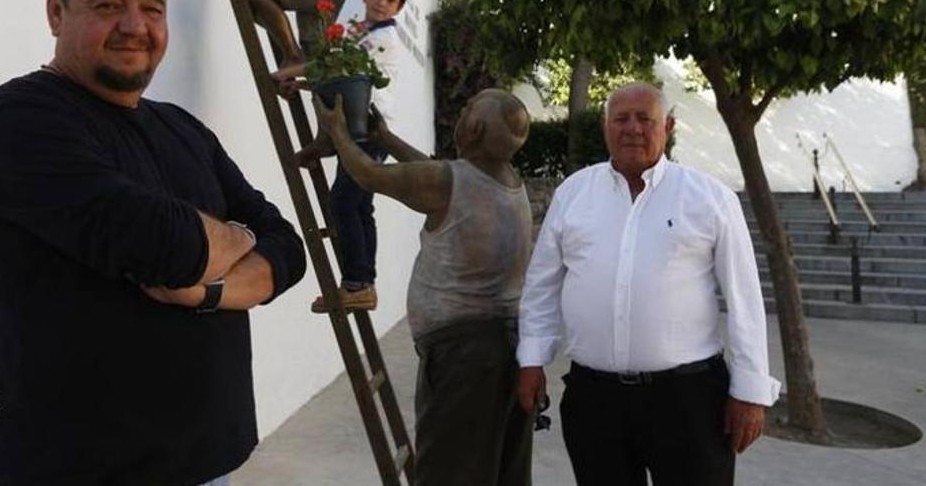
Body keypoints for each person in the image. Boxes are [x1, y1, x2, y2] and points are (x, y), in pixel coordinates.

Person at [0, 0, 306, 486]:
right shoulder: (18, 119)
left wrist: (207, 288)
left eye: (152, 8)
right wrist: (237, 239)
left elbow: (288, 248)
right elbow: (169, 247)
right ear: (56, 10)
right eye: (108, 5)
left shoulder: (183, 129)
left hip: (207, 469)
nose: (135, 27)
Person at [516, 82, 780, 485]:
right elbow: (541, 284)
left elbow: (744, 299)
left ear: (668, 125)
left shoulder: (709, 198)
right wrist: (531, 360)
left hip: (689, 400)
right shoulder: (574, 194)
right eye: (621, 119)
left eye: (645, 118)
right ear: (606, 127)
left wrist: (749, 391)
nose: (632, 128)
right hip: (594, 399)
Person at [314, 88, 535, 486]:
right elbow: (434, 173)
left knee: (448, 473)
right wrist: (386, 138)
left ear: (474, 127)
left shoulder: (447, 181)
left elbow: (369, 175)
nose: (462, 112)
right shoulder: (507, 179)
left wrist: (337, 131)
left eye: (467, 107)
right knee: (501, 471)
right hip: (505, 347)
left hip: (464, 358)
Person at [270, 0, 409, 311]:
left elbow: (340, 69)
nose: (381, 2)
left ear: (399, 8)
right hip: (356, 128)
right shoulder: (358, 29)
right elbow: (336, 74)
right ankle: (363, 283)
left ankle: (357, 283)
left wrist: (288, 72)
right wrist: (302, 85)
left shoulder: (383, 38)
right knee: (359, 206)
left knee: (345, 203)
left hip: (370, 131)